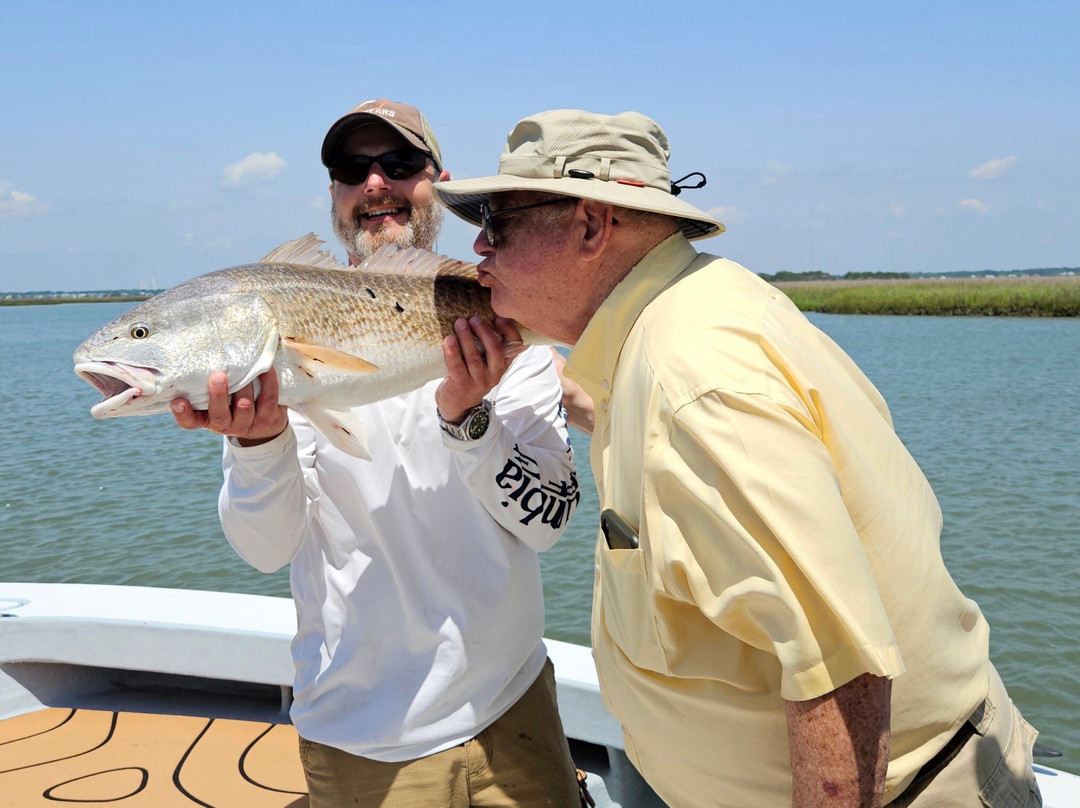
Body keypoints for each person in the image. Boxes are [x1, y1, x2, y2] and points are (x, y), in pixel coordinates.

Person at [431, 109, 1043, 808]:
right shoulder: (690, 315)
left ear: (593, 226)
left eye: (498, 222)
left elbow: (843, 674)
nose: (478, 245)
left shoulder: (694, 383)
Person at [171, 98, 583, 808]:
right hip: (363, 737)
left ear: (439, 181)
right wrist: (260, 440)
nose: (375, 185)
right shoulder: (279, 339)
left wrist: (468, 420)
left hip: (514, 706)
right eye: (352, 168)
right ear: (332, 191)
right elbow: (266, 549)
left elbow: (546, 523)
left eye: (399, 164)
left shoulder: (507, 326)